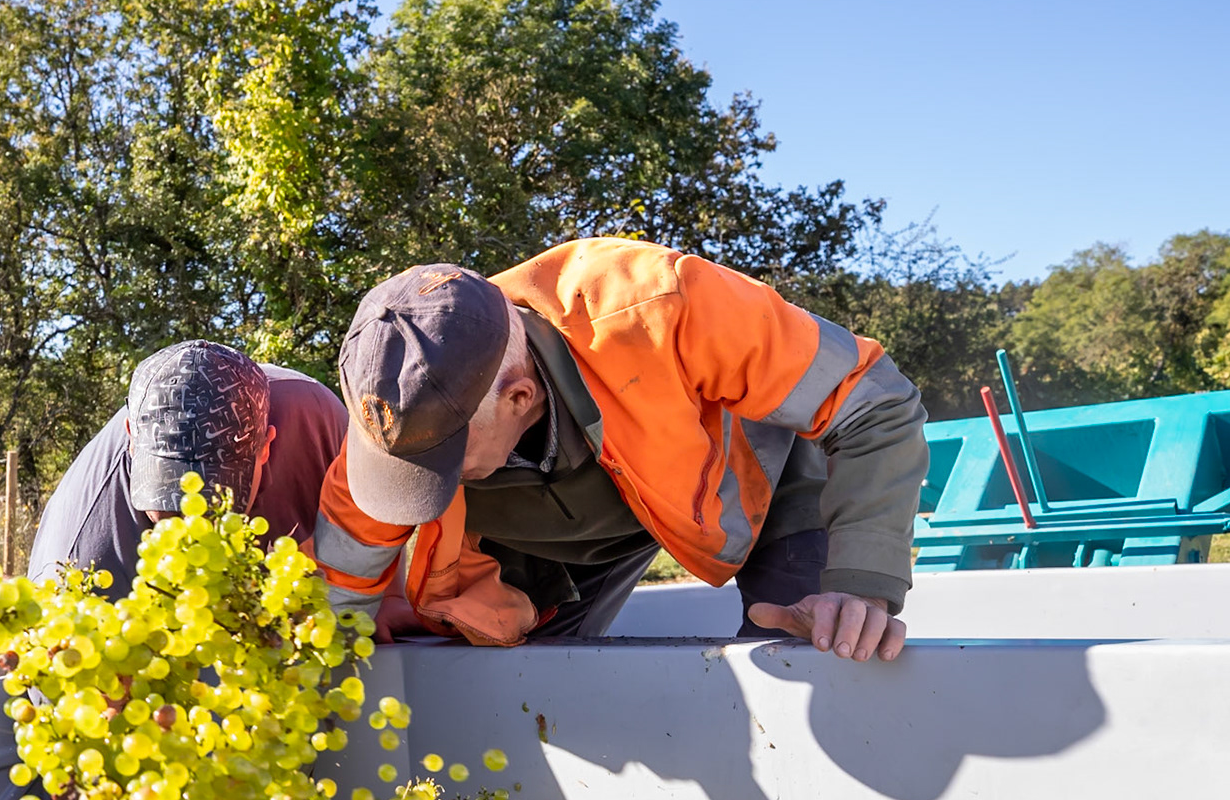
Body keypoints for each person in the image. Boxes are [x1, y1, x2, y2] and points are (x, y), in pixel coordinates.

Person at [310, 239, 929, 659]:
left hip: (743, 488)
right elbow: (343, 576)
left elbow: (875, 404)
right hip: (558, 535)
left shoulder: (662, 305)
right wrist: (337, 639)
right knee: (543, 697)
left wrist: (861, 586)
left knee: (808, 655)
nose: (419, 482)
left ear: (519, 397)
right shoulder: (398, 401)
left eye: (441, 459)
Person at [27, 340, 344, 593]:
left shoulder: (314, 416)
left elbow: (378, 522)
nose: (194, 522)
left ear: (265, 446)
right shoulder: (79, 569)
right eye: (169, 492)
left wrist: (384, 595)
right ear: (131, 441)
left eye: (217, 495)